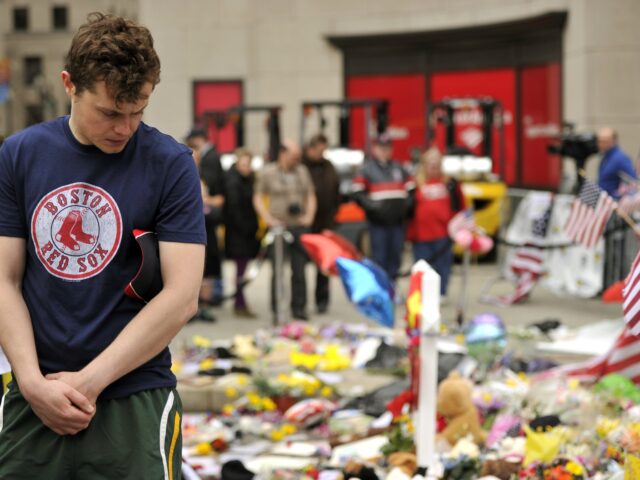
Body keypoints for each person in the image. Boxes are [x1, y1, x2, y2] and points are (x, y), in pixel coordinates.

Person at [0, 13, 205, 479]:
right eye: (111, 112)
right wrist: (31, 382)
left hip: (134, 395)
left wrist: (88, 383)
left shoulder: (170, 164)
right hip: (35, 396)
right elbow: (4, 279)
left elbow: (182, 296)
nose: (125, 127)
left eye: (139, 111)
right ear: (69, 84)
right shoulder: (20, 154)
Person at [253, 143, 317, 321]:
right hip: (278, 228)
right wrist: (267, 219)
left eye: (298, 157)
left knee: (299, 269)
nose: (296, 160)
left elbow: (310, 194)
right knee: (277, 270)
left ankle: (299, 308)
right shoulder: (268, 172)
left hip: (299, 226)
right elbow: (257, 197)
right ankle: (277, 309)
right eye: (293, 156)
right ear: (282, 153)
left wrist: (309, 215)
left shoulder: (302, 171)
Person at [351, 132, 414, 281]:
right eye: (381, 147)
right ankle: (381, 290)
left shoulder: (400, 168)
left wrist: (405, 207)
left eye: (387, 147)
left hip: (397, 223)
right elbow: (357, 193)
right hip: (378, 223)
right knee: (380, 258)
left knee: (395, 257)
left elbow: (412, 191)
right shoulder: (367, 169)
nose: (384, 151)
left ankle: (392, 289)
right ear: (374, 149)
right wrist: (373, 208)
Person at [407, 147, 465, 296]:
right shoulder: (414, 184)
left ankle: (441, 293)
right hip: (421, 235)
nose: (434, 167)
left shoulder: (450, 183)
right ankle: (422, 294)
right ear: (424, 165)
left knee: (443, 266)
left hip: (443, 234)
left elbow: (461, 205)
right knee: (422, 267)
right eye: (430, 163)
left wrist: (459, 227)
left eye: (437, 163)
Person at [186, 126, 225, 305]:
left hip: (206, 224)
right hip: (190, 226)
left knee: (208, 263)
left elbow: (218, 198)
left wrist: (206, 201)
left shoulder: (203, 175)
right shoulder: (182, 177)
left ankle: (205, 302)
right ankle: (195, 302)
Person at [302, 134, 340, 313]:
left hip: (326, 222)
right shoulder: (302, 166)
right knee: (301, 264)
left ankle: (322, 300)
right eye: (319, 149)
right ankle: (300, 302)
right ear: (311, 148)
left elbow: (336, 190)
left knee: (324, 265)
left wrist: (334, 214)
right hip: (307, 222)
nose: (321, 153)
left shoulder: (328, 166)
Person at [224, 148, 260, 318]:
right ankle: (239, 303)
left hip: (244, 232)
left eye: (248, 164)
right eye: (244, 164)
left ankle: (241, 301)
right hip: (239, 233)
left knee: (242, 269)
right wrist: (246, 227)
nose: (246, 167)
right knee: (240, 270)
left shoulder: (247, 179)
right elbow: (234, 209)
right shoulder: (234, 182)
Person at [597, 127, 637, 199]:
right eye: (599, 141)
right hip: (603, 200)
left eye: (604, 141)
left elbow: (632, 182)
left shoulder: (621, 158)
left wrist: (617, 196)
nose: (600, 144)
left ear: (613, 141)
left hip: (614, 202)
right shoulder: (605, 157)